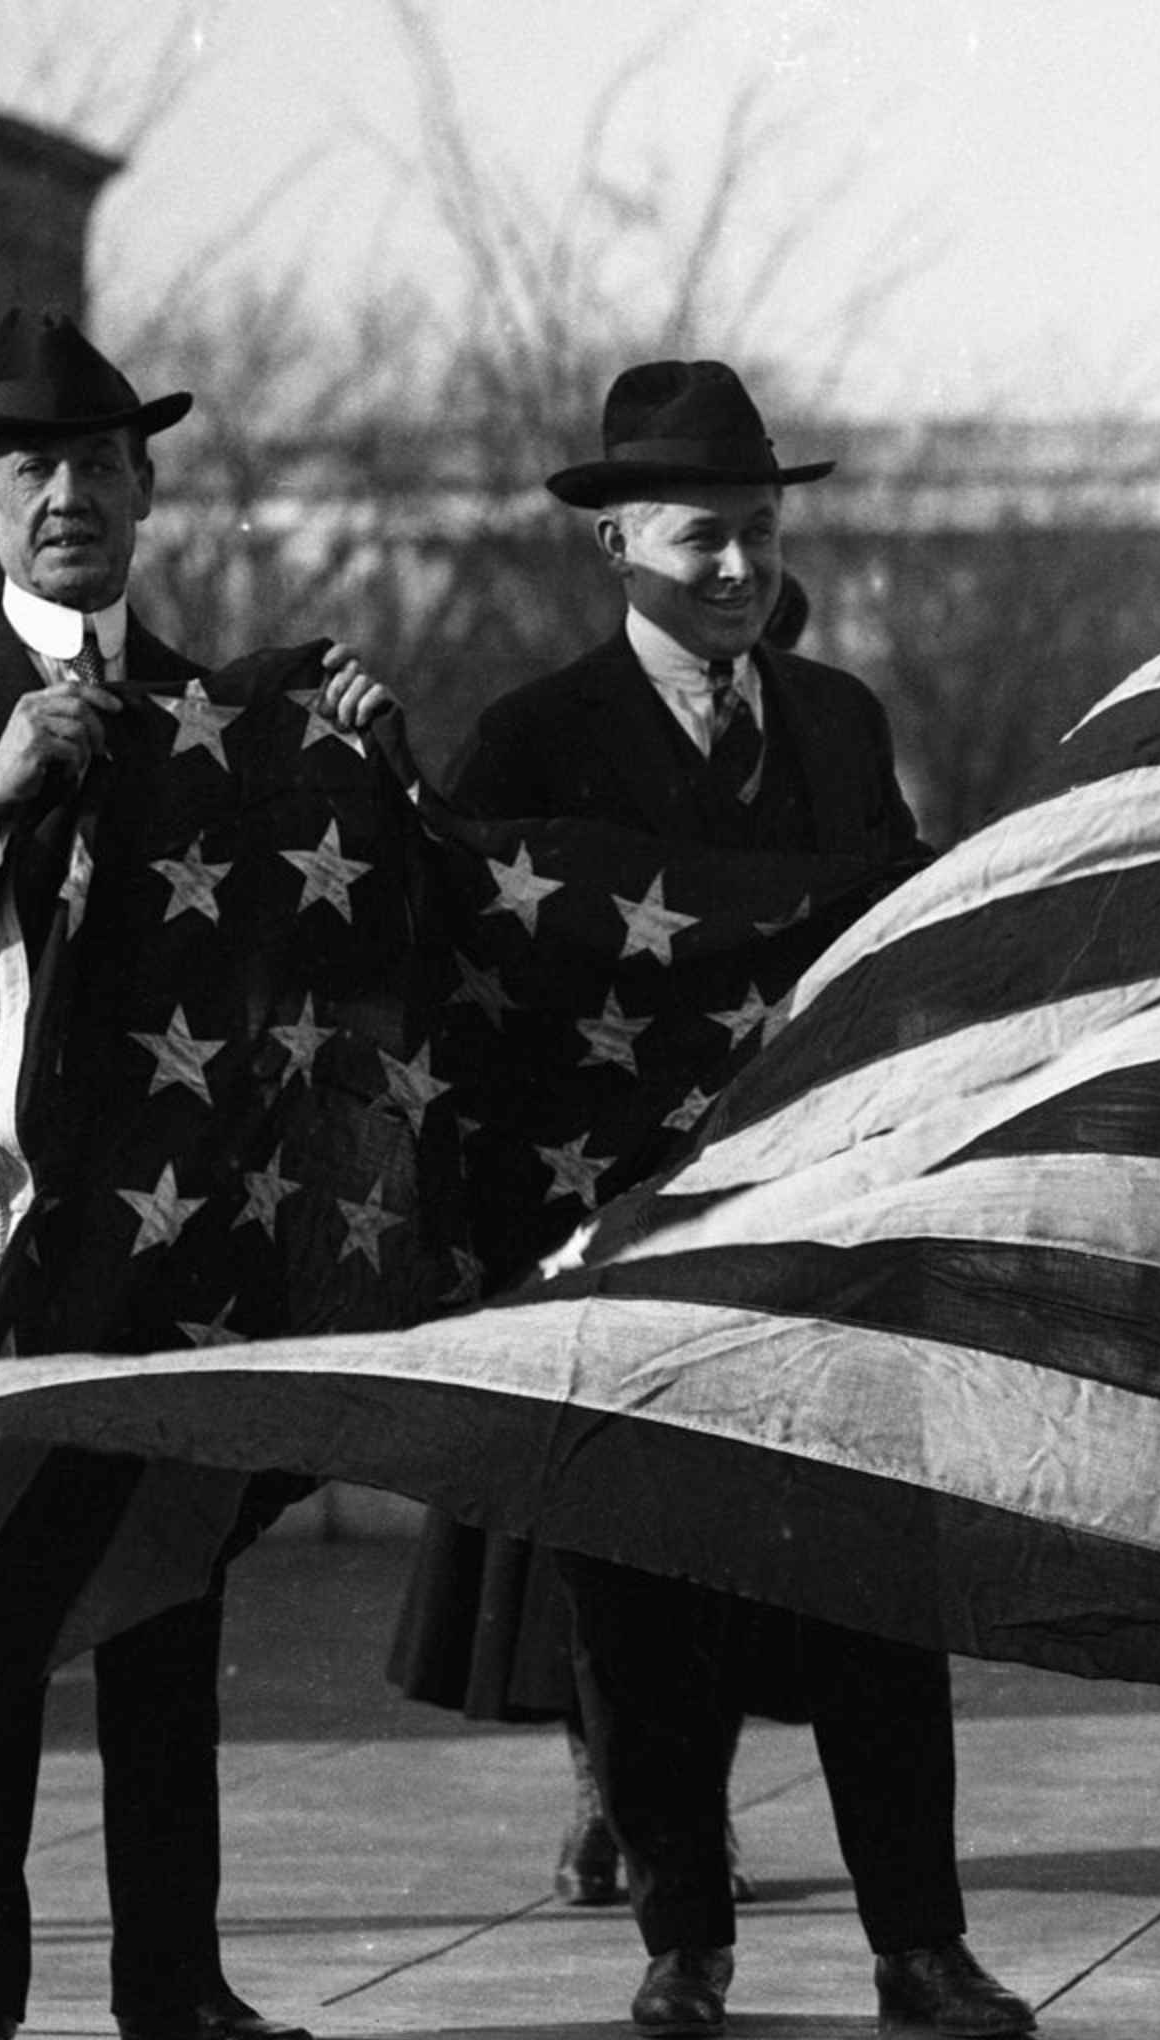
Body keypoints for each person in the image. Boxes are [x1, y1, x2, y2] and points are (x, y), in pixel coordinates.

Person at [0, 308, 395, 2040]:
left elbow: (335, 946)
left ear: (145, 492)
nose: (71, 495)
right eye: (34, 467)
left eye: (103, 464)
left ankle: (173, 1989)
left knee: (166, 1619)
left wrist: (373, 768)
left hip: (173, 1247)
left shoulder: (226, 714)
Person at [446, 357, 1032, 2040]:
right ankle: (683, 1937)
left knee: (875, 1591)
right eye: (701, 536)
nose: (737, 567)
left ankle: (921, 1944)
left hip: (830, 1227)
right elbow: (465, 969)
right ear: (614, 541)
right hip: (626, 1241)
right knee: (642, 1608)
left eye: (760, 532)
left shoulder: (839, 719)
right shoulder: (535, 737)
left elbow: (893, 948)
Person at [380, 576, 815, 1915]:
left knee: (712, 1526)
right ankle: (607, 1799)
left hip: (739, 1175)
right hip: (572, 1179)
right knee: (578, 1531)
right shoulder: (546, 730)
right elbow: (452, 886)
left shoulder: (808, 744)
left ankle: (685, 1813)